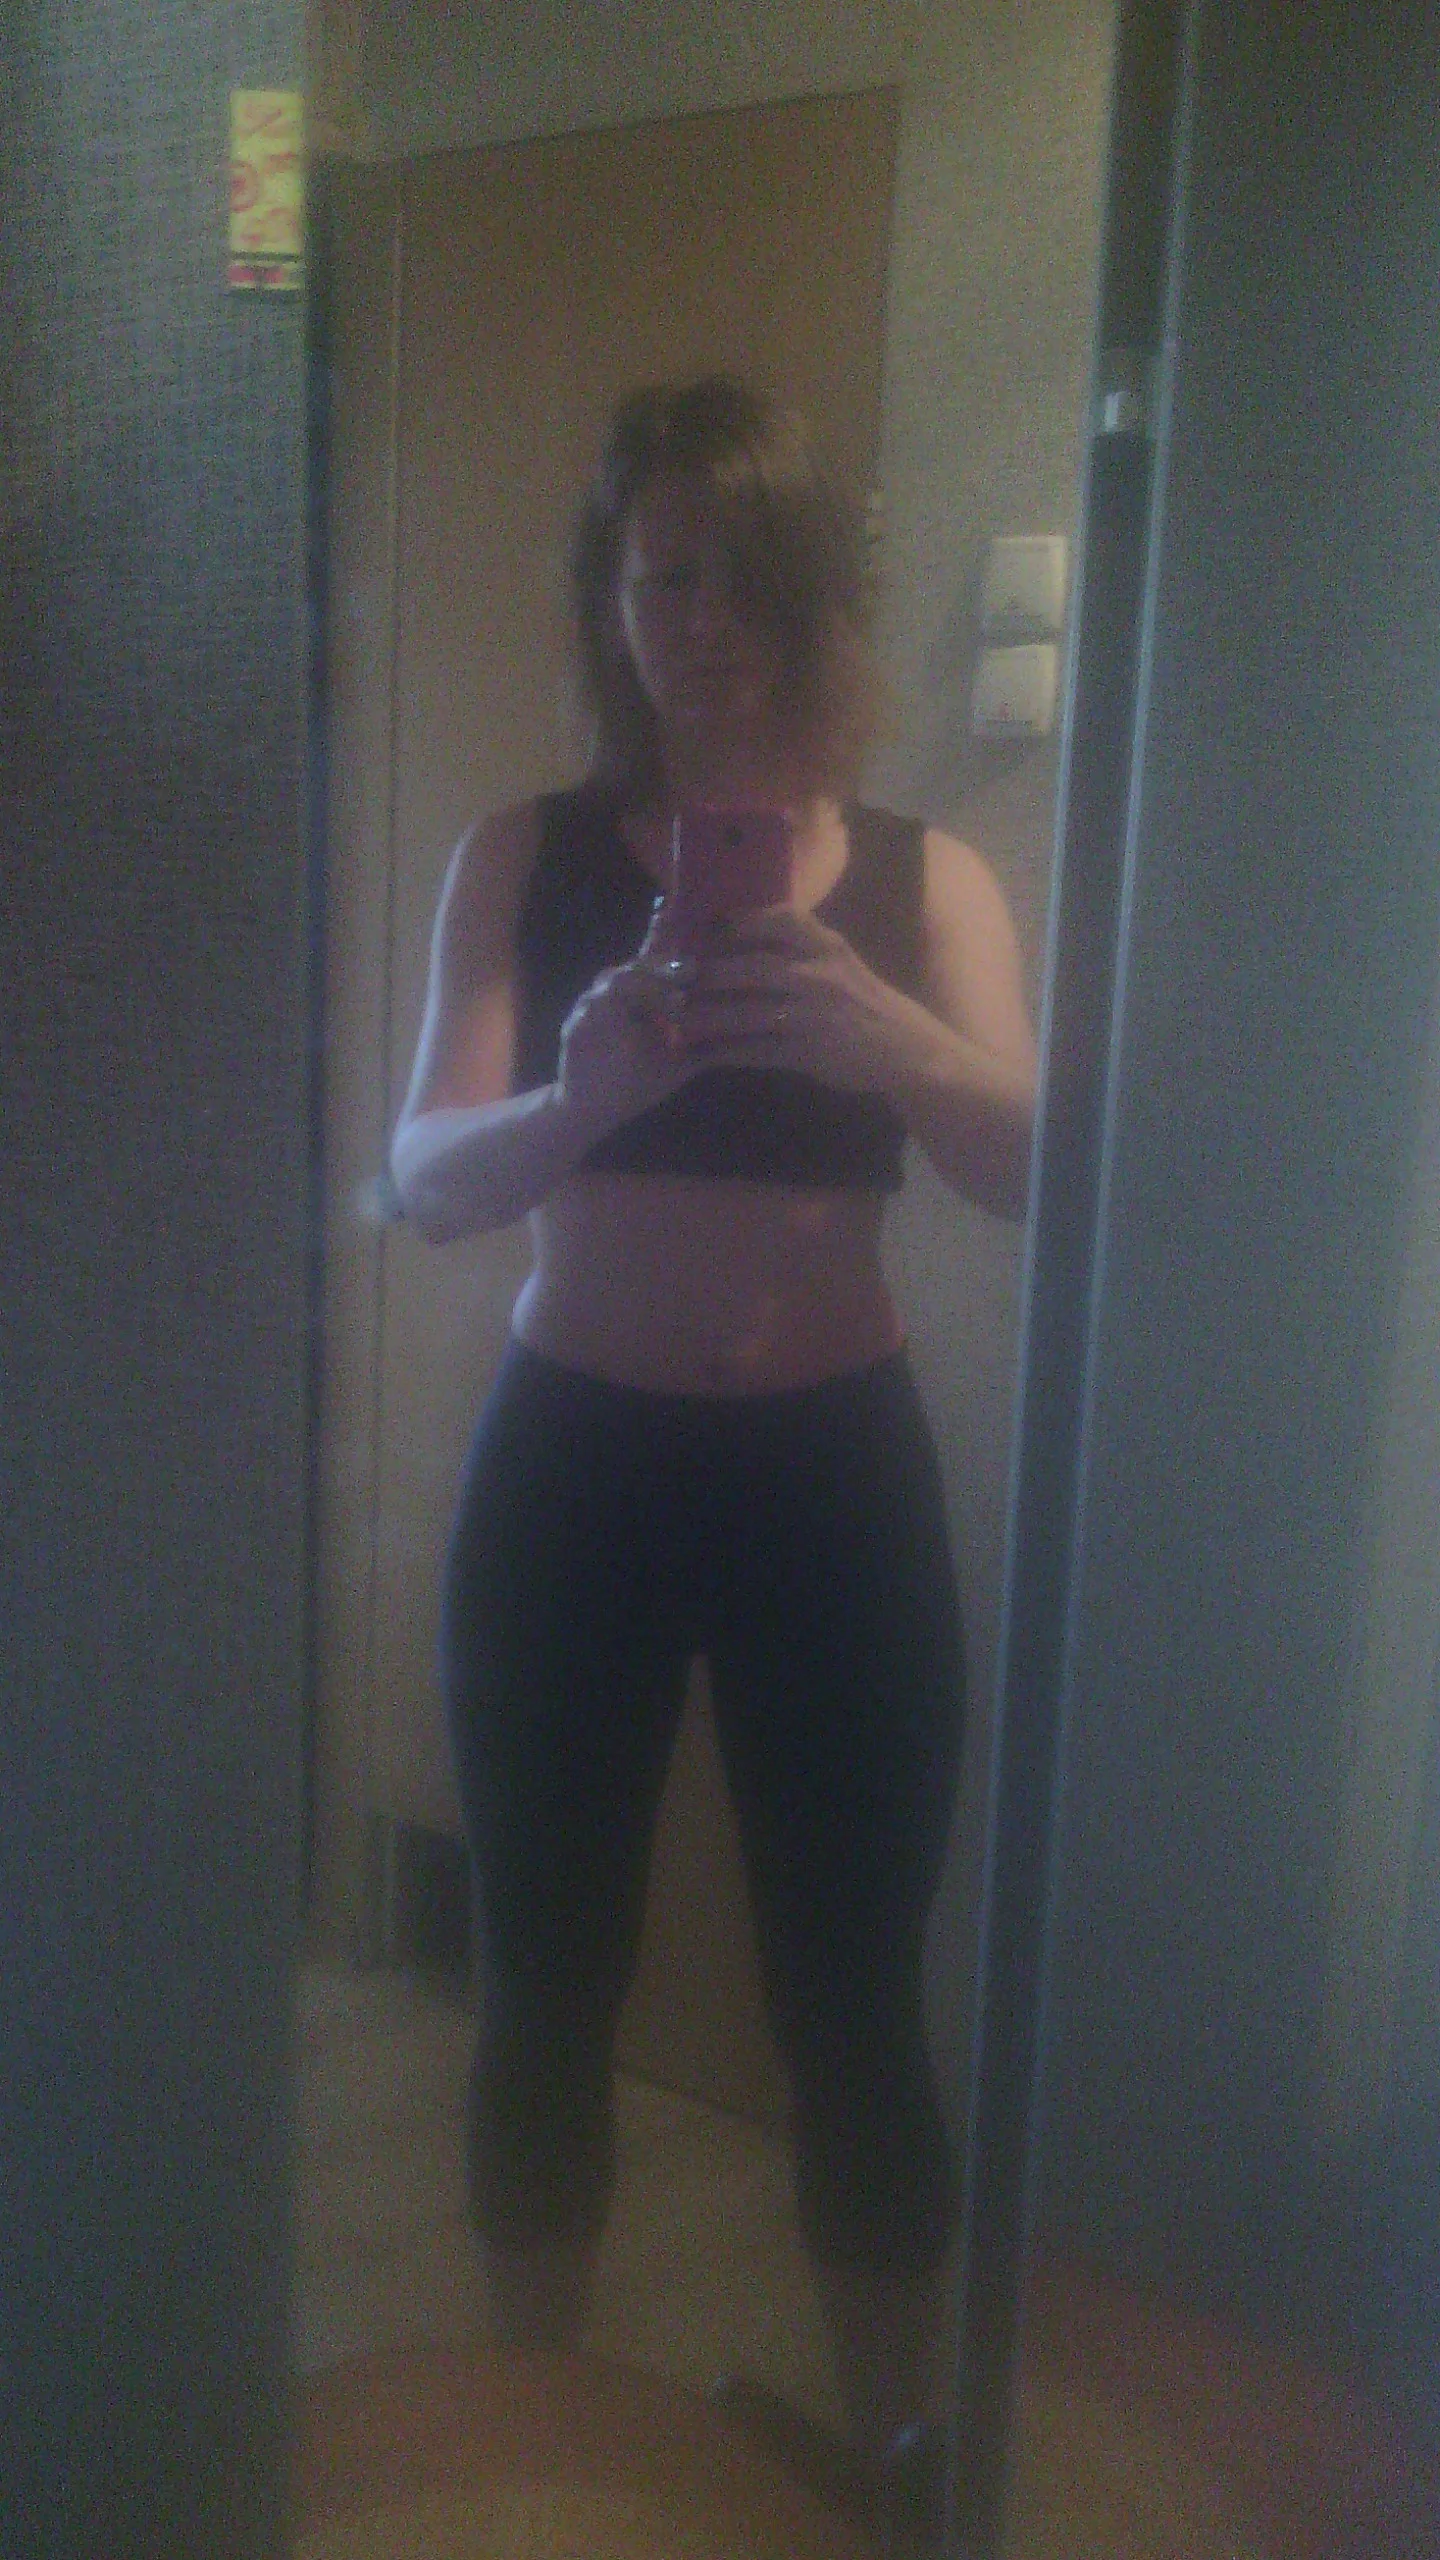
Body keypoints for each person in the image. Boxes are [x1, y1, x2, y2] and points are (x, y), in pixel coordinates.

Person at [389, 378, 1037, 2493]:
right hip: (571, 1472)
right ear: (613, 599)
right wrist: (582, 1093)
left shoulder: (930, 876)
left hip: (828, 1486)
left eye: (747, 578)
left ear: (814, 598)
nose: (706, 623)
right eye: (665, 576)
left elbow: (1035, 1168)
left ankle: (898, 2460)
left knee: (854, 1995)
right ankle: (535, 2449)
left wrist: (889, 1032)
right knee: (544, 1979)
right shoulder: (527, 854)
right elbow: (421, 1176)